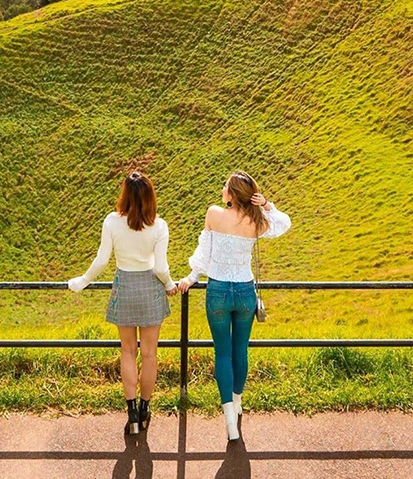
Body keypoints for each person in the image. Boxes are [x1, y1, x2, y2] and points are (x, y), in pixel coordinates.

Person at [179, 171, 290, 441]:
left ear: (231, 194)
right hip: (244, 292)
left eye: (225, 186)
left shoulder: (214, 214)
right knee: (240, 351)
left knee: (222, 353)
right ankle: (238, 402)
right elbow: (284, 223)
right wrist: (266, 205)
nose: (222, 189)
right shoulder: (257, 221)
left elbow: (204, 252)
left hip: (217, 290)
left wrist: (192, 277)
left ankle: (229, 419)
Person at [68, 172, 178, 434]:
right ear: (150, 197)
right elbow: (160, 268)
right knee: (149, 354)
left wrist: (83, 281)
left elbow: (102, 260)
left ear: (124, 195)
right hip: (150, 288)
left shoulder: (112, 222)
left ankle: (131, 413)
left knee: (128, 351)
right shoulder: (159, 226)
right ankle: (145, 409)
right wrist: (170, 284)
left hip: (125, 286)